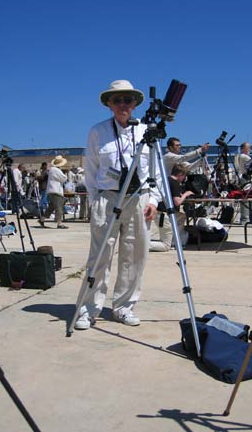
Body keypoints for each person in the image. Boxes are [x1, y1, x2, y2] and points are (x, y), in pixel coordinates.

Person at [74, 79, 160, 330]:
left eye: (128, 100)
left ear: (135, 104)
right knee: (100, 256)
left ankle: (124, 307)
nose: (123, 104)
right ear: (109, 104)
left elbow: (155, 169)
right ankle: (88, 309)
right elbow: (90, 171)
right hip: (108, 197)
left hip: (139, 198)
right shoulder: (97, 131)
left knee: (134, 256)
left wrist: (153, 200)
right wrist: (96, 201)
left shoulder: (148, 131)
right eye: (117, 100)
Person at [149, 163, 194, 252]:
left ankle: (176, 241)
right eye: (184, 176)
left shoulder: (166, 180)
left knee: (181, 216)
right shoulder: (175, 183)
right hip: (165, 215)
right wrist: (186, 194)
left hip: (160, 213)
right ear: (180, 175)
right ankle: (143, 245)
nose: (184, 178)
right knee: (166, 246)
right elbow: (177, 202)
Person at [39, 155, 68, 229]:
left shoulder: (52, 170)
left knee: (51, 207)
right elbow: (64, 178)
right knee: (59, 208)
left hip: (52, 191)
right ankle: (59, 223)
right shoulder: (56, 170)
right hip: (56, 191)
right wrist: (65, 175)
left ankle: (42, 219)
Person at [236, 142, 252, 224]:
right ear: (243, 149)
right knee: (245, 198)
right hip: (245, 178)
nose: (249, 149)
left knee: (249, 198)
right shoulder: (243, 156)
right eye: (248, 148)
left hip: (246, 177)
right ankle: (245, 219)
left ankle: (247, 217)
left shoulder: (243, 156)